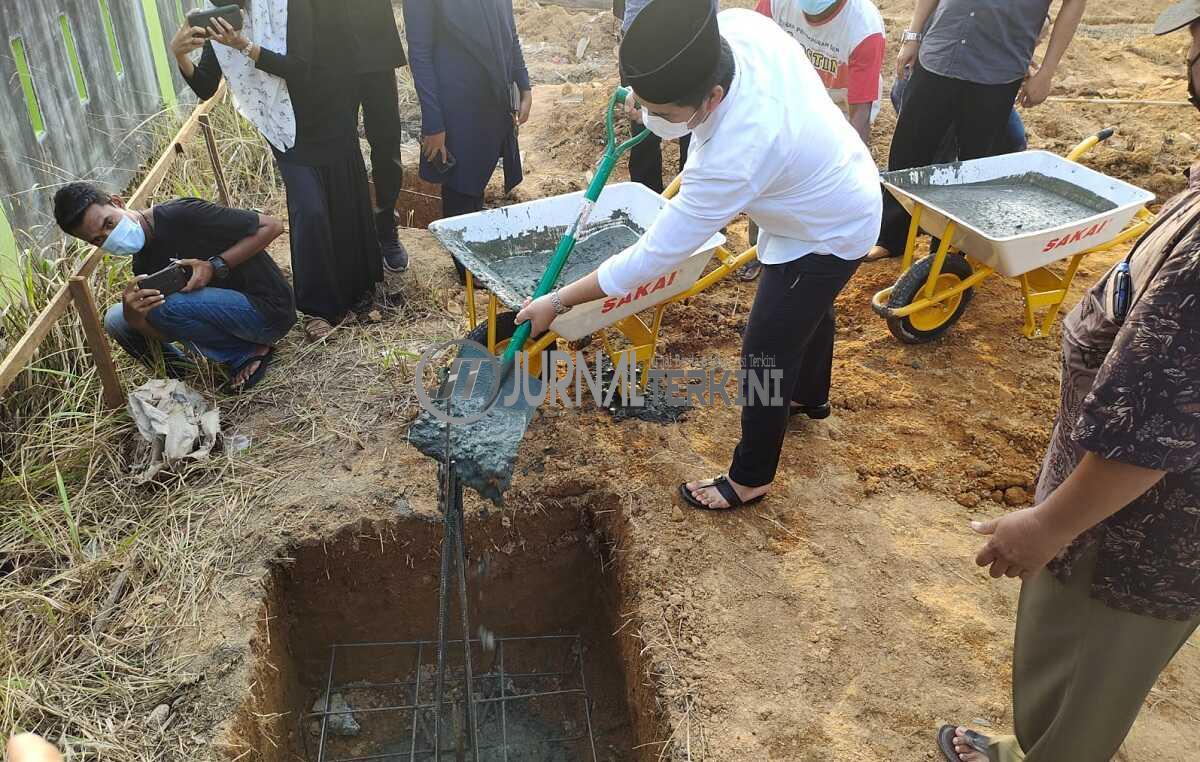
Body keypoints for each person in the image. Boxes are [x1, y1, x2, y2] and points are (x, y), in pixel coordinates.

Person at [939, 6, 1200, 760]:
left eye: (1195, 43)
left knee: (1080, 695)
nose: (1188, 62)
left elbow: (1151, 429)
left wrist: (1050, 525)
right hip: (1124, 528)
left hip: (1131, 545)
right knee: (1064, 687)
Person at [516, 0, 881, 510]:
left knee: (766, 349)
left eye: (661, 114)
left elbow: (651, 259)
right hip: (830, 174)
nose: (649, 119)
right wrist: (647, 102)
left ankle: (751, 477)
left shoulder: (736, 153)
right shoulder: (737, 29)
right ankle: (808, 396)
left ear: (711, 97)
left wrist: (556, 302)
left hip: (829, 225)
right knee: (807, 307)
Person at [170, 0, 382, 341]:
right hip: (282, 125)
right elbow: (207, 85)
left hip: (329, 109)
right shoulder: (220, 18)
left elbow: (300, 66)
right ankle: (318, 309)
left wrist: (244, 46)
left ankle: (357, 290)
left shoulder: (290, 4)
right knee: (309, 210)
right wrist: (180, 55)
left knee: (343, 199)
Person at [868, 0, 1086, 262]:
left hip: (998, 70)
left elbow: (1073, 6)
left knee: (973, 168)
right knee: (908, 153)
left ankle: (949, 250)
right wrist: (913, 36)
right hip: (940, 50)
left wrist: (1047, 72)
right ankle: (892, 237)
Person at [53, 183, 295, 392]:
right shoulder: (142, 264)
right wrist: (135, 319)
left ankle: (246, 353)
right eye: (98, 240)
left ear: (117, 202)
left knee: (162, 305)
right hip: (234, 321)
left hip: (268, 310)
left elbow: (272, 226)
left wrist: (215, 265)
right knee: (117, 318)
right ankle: (188, 377)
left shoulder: (180, 214)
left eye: (109, 223)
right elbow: (172, 331)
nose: (110, 236)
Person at [403, 0, 533, 281]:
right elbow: (420, 54)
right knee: (460, 183)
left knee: (478, 174)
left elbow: (509, 32)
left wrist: (523, 82)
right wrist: (434, 122)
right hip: (455, 101)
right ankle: (468, 272)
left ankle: (477, 254)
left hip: (493, 96)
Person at [754, 0, 885, 147]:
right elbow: (753, 67)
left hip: (838, 107)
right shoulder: (775, 3)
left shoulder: (864, 29)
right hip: (786, 95)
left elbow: (859, 115)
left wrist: (854, 159)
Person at [348, 0, 410, 272]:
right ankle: (355, 232)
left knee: (386, 146)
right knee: (342, 149)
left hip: (376, 50)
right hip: (329, 56)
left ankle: (386, 228)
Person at [613, 0, 691, 194]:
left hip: (690, 38)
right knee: (643, 129)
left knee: (695, 127)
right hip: (641, 41)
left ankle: (693, 198)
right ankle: (646, 200)